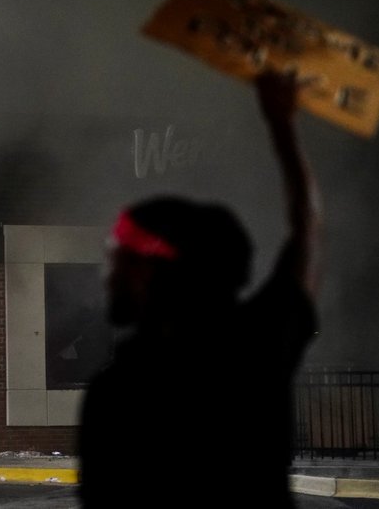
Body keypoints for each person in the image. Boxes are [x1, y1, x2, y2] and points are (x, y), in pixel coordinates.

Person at [77, 68, 322, 507]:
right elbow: (306, 231)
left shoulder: (119, 392)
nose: (108, 275)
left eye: (123, 261)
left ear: (162, 271)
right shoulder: (257, 347)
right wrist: (282, 125)